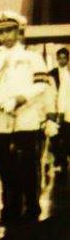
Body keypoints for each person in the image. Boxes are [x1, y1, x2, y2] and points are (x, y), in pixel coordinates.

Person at [0, 11, 50, 226]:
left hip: (26, 118)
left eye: (9, 31)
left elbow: (41, 84)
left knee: (27, 166)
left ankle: (32, 206)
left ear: (18, 31)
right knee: (4, 167)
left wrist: (20, 99)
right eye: (1, 32)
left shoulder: (32, 57)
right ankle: (10, 207)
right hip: (1, 120)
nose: (5, 36)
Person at [50, 47, 69, 176]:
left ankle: (64, 162)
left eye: (64, 58)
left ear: (68, 59)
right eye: (60, 58)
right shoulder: (51, 74)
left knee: (66, 137)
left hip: (67, 110)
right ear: (57, 59)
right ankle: (59, 162)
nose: (62, 60)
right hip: (54, 108)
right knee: (55, 138)